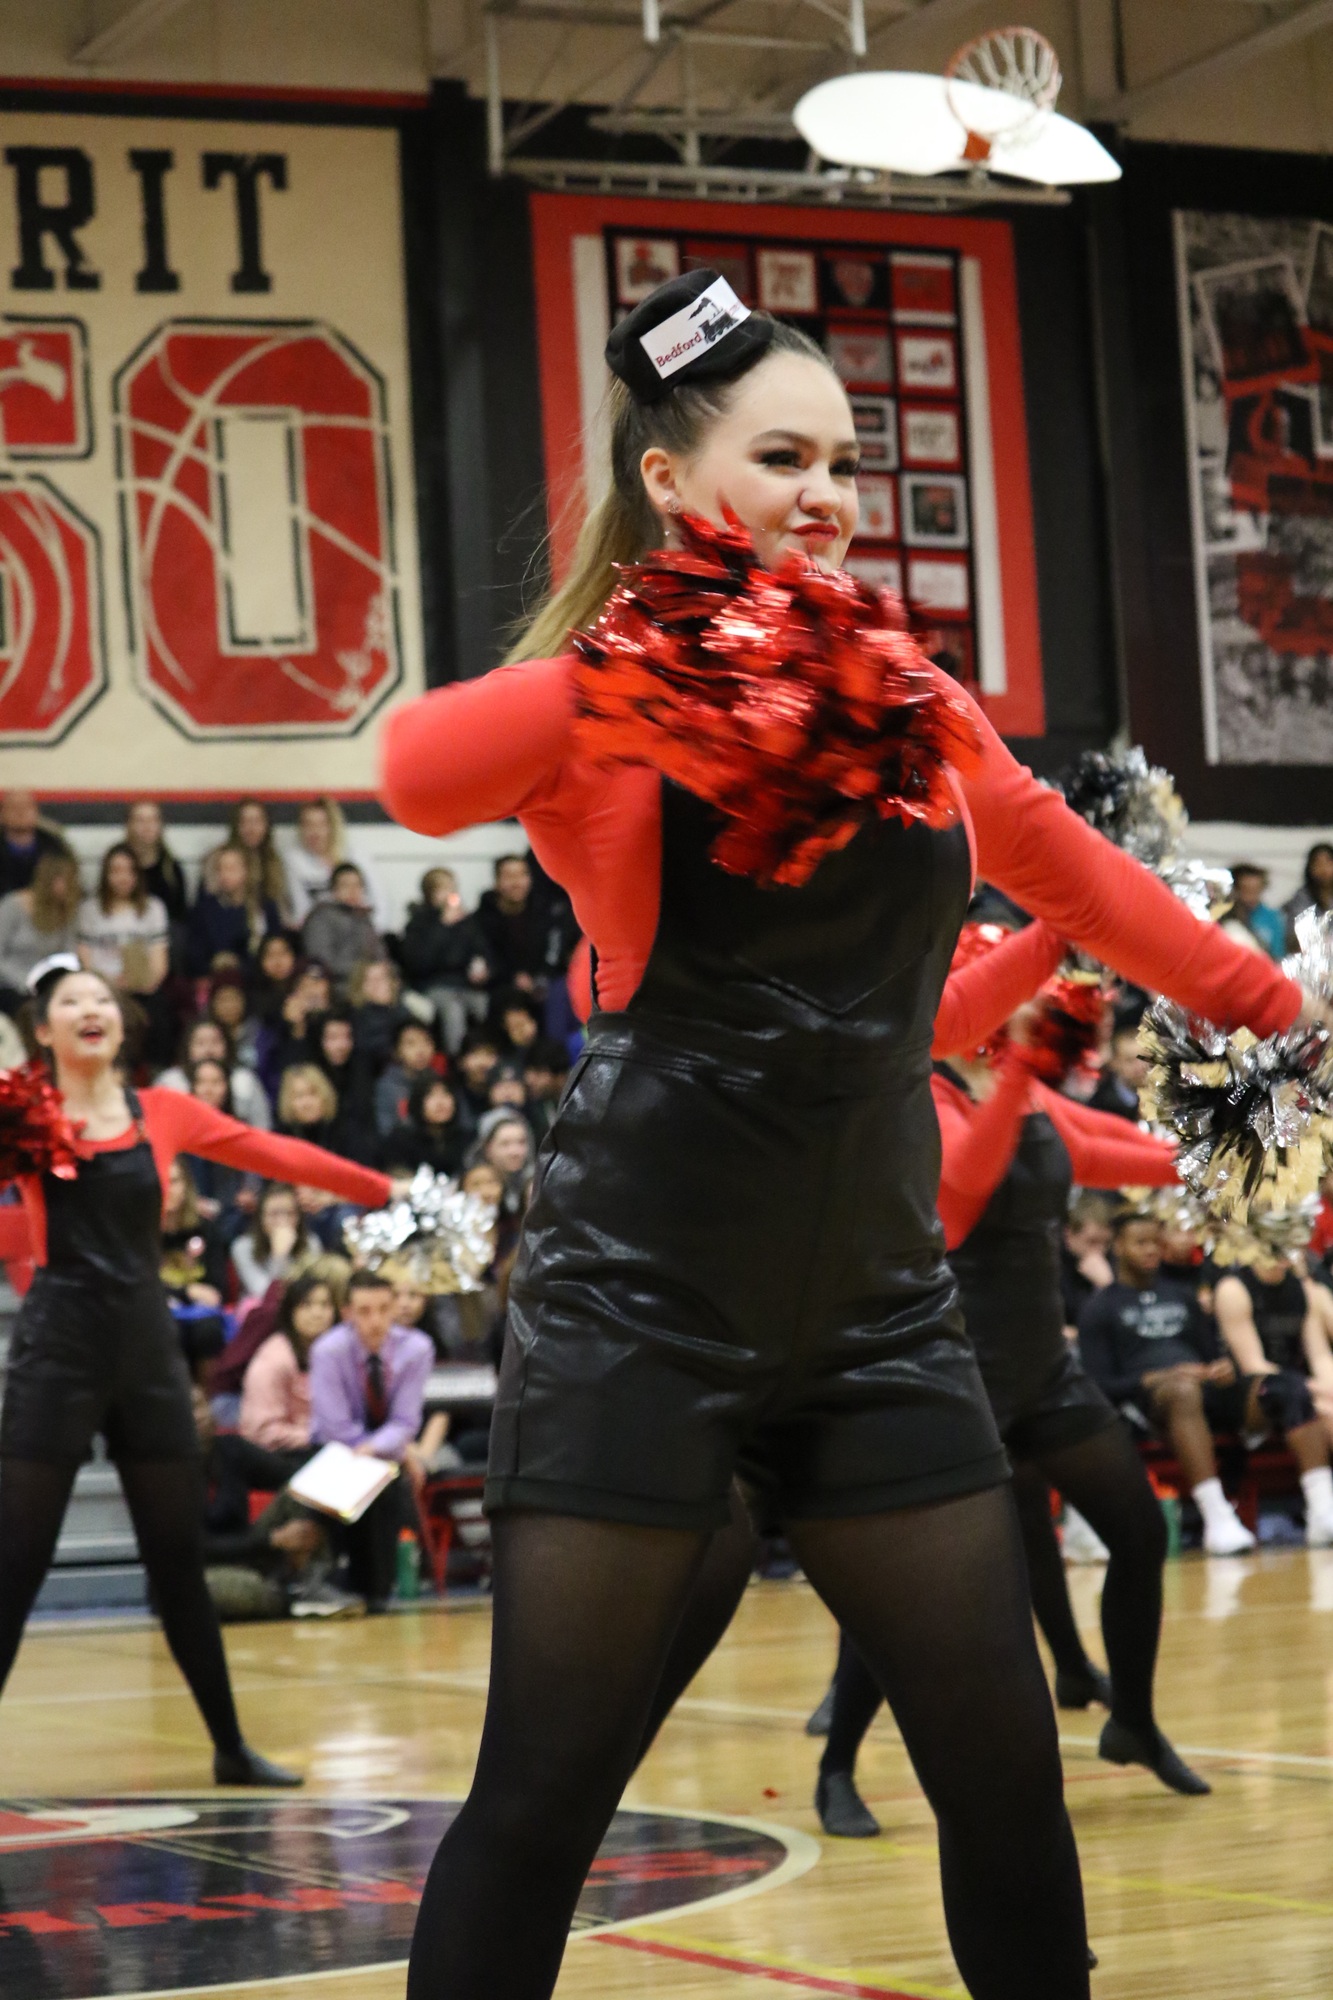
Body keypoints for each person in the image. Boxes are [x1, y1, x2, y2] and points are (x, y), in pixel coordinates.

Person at [379, 268, 1326, 2000]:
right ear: (671, 479)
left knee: (1005, 1781)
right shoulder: (610, 696)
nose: (824, 494)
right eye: (781, 457)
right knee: (540, 1803)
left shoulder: (911, 700)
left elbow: (1081, 878)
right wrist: (643, 671)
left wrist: (1280, 1013)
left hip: (879, 1316)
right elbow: (416, 772)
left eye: (842, 461)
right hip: (640, 1307)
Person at [814, 948, 1207, 1840]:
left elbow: (1114, 1153)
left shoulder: (1022, 1089)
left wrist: (1234, 1156)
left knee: (1138, 1532)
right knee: (906, 1591)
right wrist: (1024, 1070)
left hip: (1043, 1372)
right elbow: (963, 1181)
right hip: (955, 1373)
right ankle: (836, 1765)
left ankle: (1132, 1719)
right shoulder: (914, 1089)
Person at [0, 961, 390, 1785]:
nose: (91, 1008)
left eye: (102, 998)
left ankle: (230, 1749)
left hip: (146, 1352)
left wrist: (379, 1192)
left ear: (121, 1021)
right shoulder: (23, 1116)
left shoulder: (162, 1111)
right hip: (57, 1354)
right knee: (15, 1563)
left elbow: (272, 1151)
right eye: (70, 1001)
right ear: (43, 1029)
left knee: (177, 1559)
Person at [1079, 1212, 1333, 1553]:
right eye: (1140, 1243)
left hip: (1207, 1392)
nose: (1151, 1250)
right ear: (1119, 1247)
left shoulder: (1182, 1294)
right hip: (1151, 1405)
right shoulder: (1099, 1307)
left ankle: (1322, 1510)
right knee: (1182, 1391)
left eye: (1155, 1242)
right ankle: (1217, 1517)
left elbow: (1211, 1352)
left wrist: (1221, 1367)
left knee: (1286, 1386)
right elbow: (1098, 1384)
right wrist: (1153, 1377)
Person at [308, 1269, 434, 1607]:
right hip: (331, 1452)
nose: (376, 1321)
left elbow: (405, 1421)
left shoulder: (417, 1348)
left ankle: (380, 1590)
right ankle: (343, 1582)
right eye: (364, 1311)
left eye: (383, 1309)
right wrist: (385, 1451)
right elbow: (334, 1426)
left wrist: (376, 1449)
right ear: (347, 1313)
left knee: (387, 1481)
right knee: (377, 1479)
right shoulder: (327, 1350)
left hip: (380, 1453)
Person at [1215, 1249, 1333, 1462]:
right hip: (1252, 1393)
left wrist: (1327, 1389)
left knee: (1321, 1402)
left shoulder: (1304, 1290)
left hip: (1299, 1385)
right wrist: (1311, 1389)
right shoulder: (1234, 1289)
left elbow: (1320, 1357)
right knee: (1312, 1402)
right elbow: (1252, 1365)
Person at [239, 1269, 337, 1463]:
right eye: (306, 1305)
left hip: (321, 1447)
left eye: (325, 1305)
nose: (317, 1313)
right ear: (290, 1311)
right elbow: (261, 1432)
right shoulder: (274, 1359)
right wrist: (320, 1437)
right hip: (279, 1456)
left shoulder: (334, 1352)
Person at [399, 866, 493, 1052]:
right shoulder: (419, 922)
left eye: (452, 887)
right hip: (434, 985)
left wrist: (483, 968)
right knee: (453, 1010)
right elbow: (418, 962)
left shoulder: (466, 921)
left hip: (466, 984)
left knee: (485, 1005)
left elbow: (482, 950)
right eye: (443, 888)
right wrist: (443, 926)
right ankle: (456, 1058)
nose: (450, 893)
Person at [283, 795, 384, 927]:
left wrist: (374, 931)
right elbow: (301, 910)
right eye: (308, 824)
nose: (315, 831)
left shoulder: (355, 855)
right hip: (319, 932)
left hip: (360, 929)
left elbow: (380, 900)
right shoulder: (294, 860)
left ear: (333, 826)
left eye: (322, 824)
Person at [0, 852, 82, 1014]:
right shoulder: (13, 905)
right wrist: (26, 982)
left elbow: (68, 954)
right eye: (63, 880)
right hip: (11, 984)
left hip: (48, 984)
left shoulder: (67, 910)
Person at [157, 1017, 272, 1132]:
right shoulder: (170, 1082)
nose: (208, 1050)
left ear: (227, 1046)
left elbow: (262, 1127)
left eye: (215, 1042)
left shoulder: (244, 1080)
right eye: (200, 1043)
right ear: (188, 1048)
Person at [186, 843, 278, 978]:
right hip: (215, 978)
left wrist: (240, 963)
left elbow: (273, 946)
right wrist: (214, 963)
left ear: (246, 870)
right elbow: (194, 952)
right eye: (220, 869)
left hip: (256, 978)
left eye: (231, 868)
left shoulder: (264, 906)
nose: (225, 875)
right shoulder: (205, 909)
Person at [231, 1181, 322, 1301]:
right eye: (274, 1214)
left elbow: (313, 1288)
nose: (282, 1221)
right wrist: (279, 1256)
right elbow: (263, 1292)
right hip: (261, 1309)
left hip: (301, 1306)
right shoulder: (243, 1246)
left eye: (290, 1213)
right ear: (261, 1218)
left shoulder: (310, 1242)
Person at [300, 863, 384, 989]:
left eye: (357, 885)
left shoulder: (364, 918)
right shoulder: (320, 918)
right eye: (346, 885)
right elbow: (322, 962)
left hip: (369, 983)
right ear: (334, 890)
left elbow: (380, 955)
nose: (353, 891)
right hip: (339, 986)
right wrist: (364, 971)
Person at [277, 1062, 371, 1166]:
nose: (307, 1103)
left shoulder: (345, 1134)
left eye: (312, 1093)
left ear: (324, 1095)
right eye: (299, 1096)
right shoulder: (280, 1141)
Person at [383, 1073, 467, 1179]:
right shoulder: (401, 1139)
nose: (440, 1102)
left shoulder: (465, 1137)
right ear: (418, 1102)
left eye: (446, 1094)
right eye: (431, 1095)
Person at [123, 800, 189, 928]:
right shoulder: (117, 866)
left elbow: (179, 919)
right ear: (129, 825)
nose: (147, 826)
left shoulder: (172, 870)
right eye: (140, 820)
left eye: (153, 820)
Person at [1059, 1191, 1116, 1333]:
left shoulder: (1115, 1261)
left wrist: (1108, 1286)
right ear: (1069, 1235)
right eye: (1092, 1242)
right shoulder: (1052, 1266)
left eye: (1106, 1243)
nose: (1100, 1251)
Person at [373, 1017, 441, 1136]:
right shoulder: (387, 1087)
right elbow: (386, 1130)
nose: (421, 1050)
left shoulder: (437, 1080)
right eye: (411, 1044)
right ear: (396, 1051)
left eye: (426, 1042)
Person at [0, 790, 71, 898]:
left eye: (27, 807)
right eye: (13, 807)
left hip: (45, 905)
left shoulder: (55, 847)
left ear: (37, 812)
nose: (20, 812)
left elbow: (71, 886)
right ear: (2, 814)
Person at [1217, 863, 1285, 959]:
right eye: (1246, 889)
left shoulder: (1272, 917)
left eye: (1256, 889)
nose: (1251, 896)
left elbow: (1278, 953)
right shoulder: (1223, 917)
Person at [1087, 1016, 1147, 1122]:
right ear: (1115, 1063)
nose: (1140, 1067)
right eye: (1129, 1060)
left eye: (1144, 1058)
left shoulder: (1167, 1093)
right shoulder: (1101, 1106)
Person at [1283, 840, 1333, 948]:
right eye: (1318, 864)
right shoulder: (1301, 899)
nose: (1323, 869)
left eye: (1328, 863)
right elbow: (1295, 938)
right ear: (1310, 868)